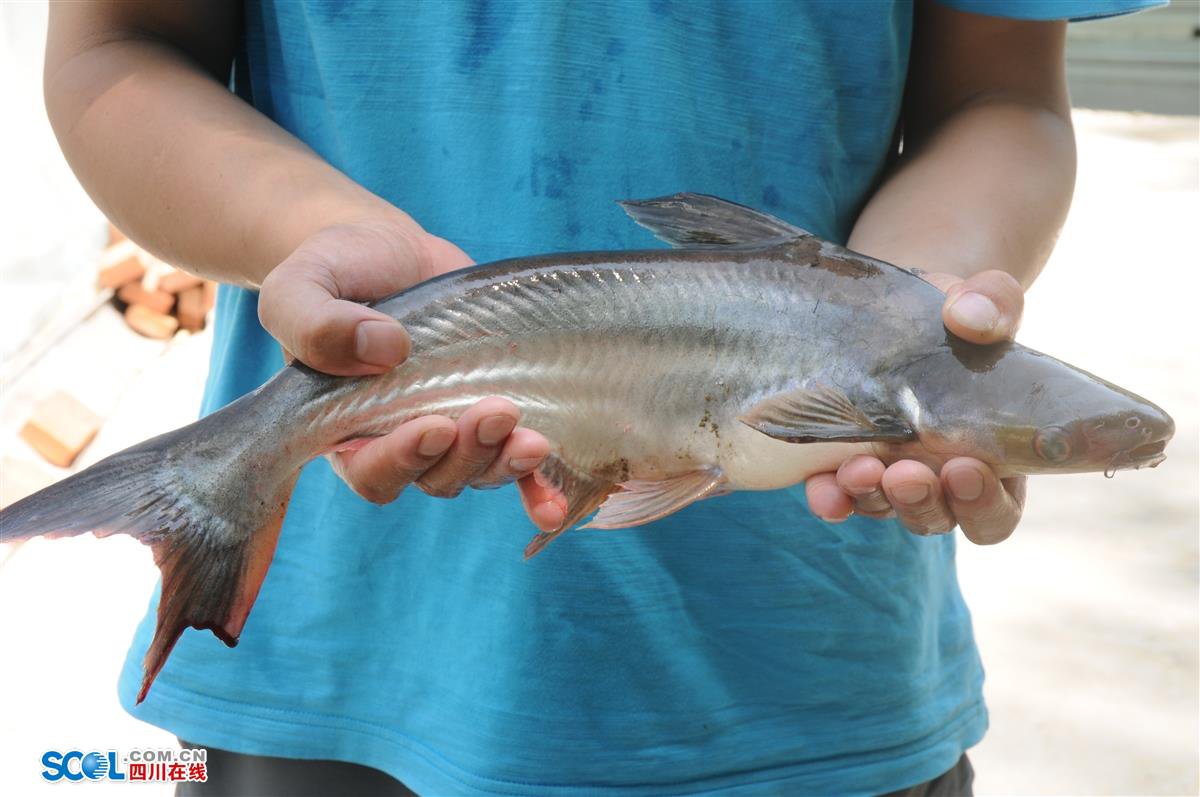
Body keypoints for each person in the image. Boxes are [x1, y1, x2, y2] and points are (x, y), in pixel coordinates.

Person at [43, 0, 1160, 794]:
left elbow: (1000, 96)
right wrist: (306, 235)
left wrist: (916, 295)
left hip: (810, 699)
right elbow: (120, 45)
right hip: (333, 673)